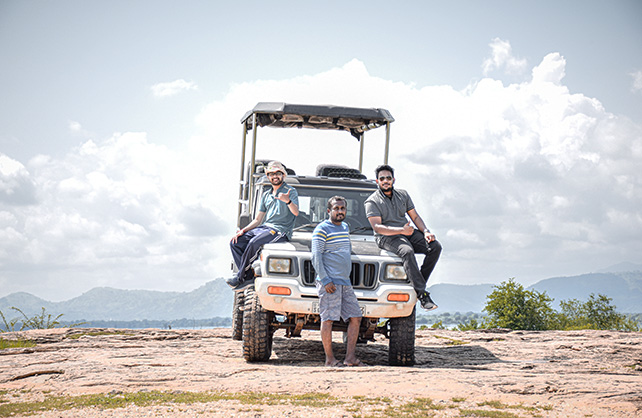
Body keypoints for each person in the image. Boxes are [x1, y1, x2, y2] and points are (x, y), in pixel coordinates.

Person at [364, 164, 442, 311]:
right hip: (386, 237)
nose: (385, 181)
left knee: (435, 247)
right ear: (377, 181)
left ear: (393, 179)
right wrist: (402, 230)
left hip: (407, 231)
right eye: (382, 179)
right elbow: (377, 227)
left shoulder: (403, 195)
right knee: (406, 251)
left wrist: (426, 231)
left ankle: (417, 283)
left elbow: (415, 216)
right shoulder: (372, 201)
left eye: (388, 178)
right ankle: (422, 294)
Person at [227, 161, 299, 291]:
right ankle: (248, 276)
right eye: (271, 174)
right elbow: (258, 219)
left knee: (255, 243)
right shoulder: (266, 195)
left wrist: (287, 201)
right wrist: (243, 230)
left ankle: (240, 277)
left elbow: (296, 212)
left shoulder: (290, 191)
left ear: (283, 175)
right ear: (268, 176)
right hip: (265, 228)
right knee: (235, 242)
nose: (274, 176)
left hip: (280, 231)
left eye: (277, 173)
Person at [312, 196, 365, 367]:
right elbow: (316, 256)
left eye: (342, 208)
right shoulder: (321, 229)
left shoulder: (345, 227)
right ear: (329, 211)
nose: (340, 211)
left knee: (356, 316)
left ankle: (350, 358)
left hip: (345, 282)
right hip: (330, 282)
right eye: (336, 208)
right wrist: (325, 280)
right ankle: (329, 360)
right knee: (328, 319)